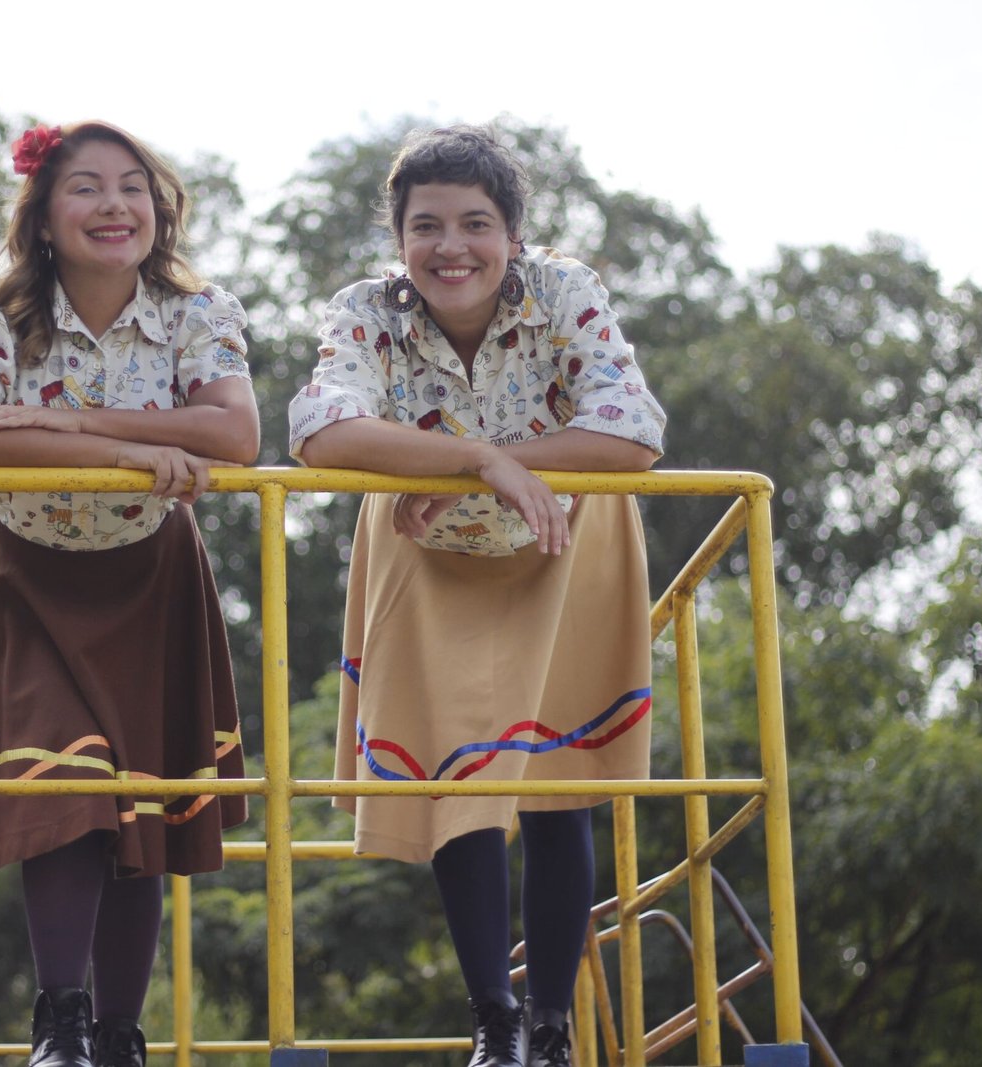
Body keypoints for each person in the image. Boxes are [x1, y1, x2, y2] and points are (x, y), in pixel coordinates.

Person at [289, 125, 666, 1067]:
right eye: (427, 226)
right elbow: (323, 429)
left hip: (561, 544)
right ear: (399, 238)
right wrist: (478, 459)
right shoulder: (368, 311)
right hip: (432, 557)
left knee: (552, 787)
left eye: (475, 224)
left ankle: (550, 1022)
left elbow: (631, 431)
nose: (451, 247)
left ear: (515, 236)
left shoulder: (565, 292)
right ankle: (494, 1020)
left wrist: (485, 470)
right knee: (462, 777)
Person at [0, 119, 259, 1067]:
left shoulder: (199, 311)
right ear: (43, 216)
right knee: (67, 780)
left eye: (132, 187)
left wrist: (59, 420)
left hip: (145, 570)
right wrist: (133, 448)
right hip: (17, 567)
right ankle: (60, 1022)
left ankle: (119, 1034)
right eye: (86, 188)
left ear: (159, 207)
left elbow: (232, 435)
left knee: (136, 799)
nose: (114, 205)